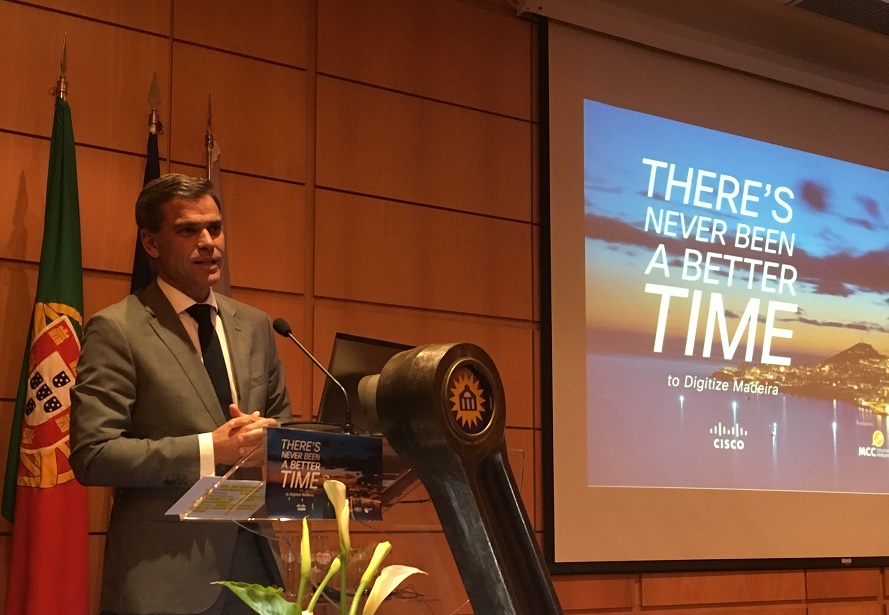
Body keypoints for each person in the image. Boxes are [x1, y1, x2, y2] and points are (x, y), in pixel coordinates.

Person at [70, 173, 292, 615]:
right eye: (188, 230)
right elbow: (93, 454)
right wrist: (210, 449)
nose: (208, 242)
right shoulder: (117, 329)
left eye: (215, 228)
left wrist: (270, 438)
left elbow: (282, 422)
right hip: (165, 576)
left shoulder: (255, 325)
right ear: (151, 243)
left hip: (256, 569)